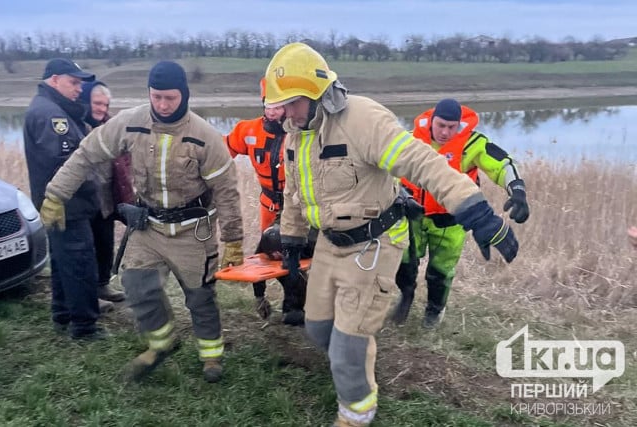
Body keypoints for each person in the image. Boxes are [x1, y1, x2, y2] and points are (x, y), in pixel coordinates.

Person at [263, 42, 519, 427]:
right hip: (330, 245)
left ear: (316, 94)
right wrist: (291, 242)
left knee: (347, 346)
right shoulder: (296, 133)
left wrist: (476, 212)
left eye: (291, 103)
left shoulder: (362, 119)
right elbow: (296, 196)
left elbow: (423, 162)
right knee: (318, 331)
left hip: (374, 244)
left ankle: (357, 413)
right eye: (279, 104)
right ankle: (354, 351)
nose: (284, 112)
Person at [38, 60, 244, 383]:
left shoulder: (206, 136)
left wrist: (233, 240)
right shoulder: (130, 122)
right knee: (135, 284)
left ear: (184, 95)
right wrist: (55, 195)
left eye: (170, 98)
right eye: (156, 96)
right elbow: (86, 153)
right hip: (148, 227)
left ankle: (211, 356)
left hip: (194, 232)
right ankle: (163, 343)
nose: (162, 105)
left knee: (200, 297)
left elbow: (227, 191)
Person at [391, 99, 530, 327]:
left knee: (440, 272)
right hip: (412, 216)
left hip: (450, 221)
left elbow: (501, 164)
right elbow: (385, 167)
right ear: (431, 121)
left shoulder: (472, 143)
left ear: (459, 125)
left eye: (451, 127)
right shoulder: (410, 139)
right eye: (441, 125)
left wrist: (517, 189)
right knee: (404, 262)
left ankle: (433, 314)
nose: (445, 132)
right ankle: (405, 296)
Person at [23, 58, 106, 340]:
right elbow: (65, 164)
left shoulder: (50, 108)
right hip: (67, 205)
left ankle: (63, 314)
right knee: (80, 262)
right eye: (73, 82)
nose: (79, 89)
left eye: (81, 84)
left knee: (62, 262)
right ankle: (84, 328)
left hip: (59, 204)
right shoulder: (51, 115)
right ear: (55, 80)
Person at [224, 77, 306, 326]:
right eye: (268, 105)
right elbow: (220, 155)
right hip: (268, 205)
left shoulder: (301, 133)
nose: (272, 111)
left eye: (278, 106)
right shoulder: (247, 131)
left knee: (292, 255)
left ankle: (294, 309)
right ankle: (260, 298)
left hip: (296, 207)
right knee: (266, 252)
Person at [78, 80, 127, 307]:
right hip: (85, 198)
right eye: (97, 103)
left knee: (105, 243)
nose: (102, 109)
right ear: (86, 102)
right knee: (86, 249)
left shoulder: (111, 125)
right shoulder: (77, 125)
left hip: (106, 197)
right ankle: (89, 294)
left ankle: (103, 284)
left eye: (105, 105)